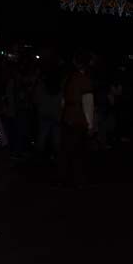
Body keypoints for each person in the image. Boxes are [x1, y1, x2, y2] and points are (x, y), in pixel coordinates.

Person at [59, 53, 96, 188]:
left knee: (66, 150)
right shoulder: (84, 80)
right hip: (78, 119)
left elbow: (63, 101)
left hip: (67, 118)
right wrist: (90, 124)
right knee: (78, 151)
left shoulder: (68, 79)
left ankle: (65, 178)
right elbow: (88, 104)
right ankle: (78, 180)